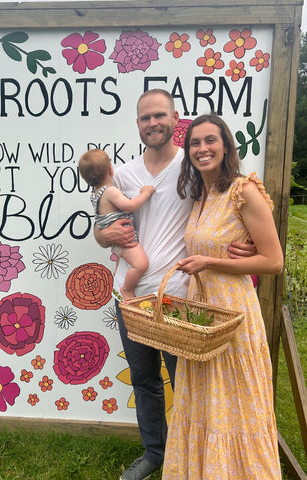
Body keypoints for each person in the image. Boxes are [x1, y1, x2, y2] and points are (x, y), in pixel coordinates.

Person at [94, 90, 256, 480]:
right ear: (137, 124)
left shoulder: (194, 165)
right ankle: (154, 453)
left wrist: (247, 238)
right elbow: (102, 229)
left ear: (174, 118)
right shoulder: (124, 175)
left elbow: (228, 202)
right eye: (145, 117)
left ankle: (189, 455)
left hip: (179, 296)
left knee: (186, 382)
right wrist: (103, 239)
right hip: (130, 296)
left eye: (159, 115)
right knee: (144, 378)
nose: (153, 123)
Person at [160, 113, 283, 479]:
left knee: (235, 401)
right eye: (195, 143)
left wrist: (211, 261)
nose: (202, 149)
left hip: (232, 313)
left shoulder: (243, 191)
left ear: (226, 145)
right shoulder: (201, 194)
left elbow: (274, 261)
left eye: (210, 140)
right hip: (202, 314)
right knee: (205, 400)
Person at [78, 148, 155, 299]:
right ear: (111, 170)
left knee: (128, 261)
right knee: (141, 265)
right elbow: (130, 206)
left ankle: (118, 271)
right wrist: (146, 193)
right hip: (124, 241)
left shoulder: (96, 193)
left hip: (118, 241)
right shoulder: (110, 191)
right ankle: (126, 289)